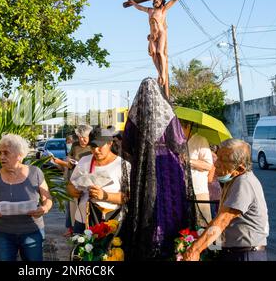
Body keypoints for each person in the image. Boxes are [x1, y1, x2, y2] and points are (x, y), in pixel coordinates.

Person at [120, 78, 196, 260]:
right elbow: (179, 142)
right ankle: (172, 246)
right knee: (170, 205)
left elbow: (127, 146)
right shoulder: (168, 114)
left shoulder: (134, 116)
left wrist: (143, 152)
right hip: (167, 165)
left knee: (147, 204)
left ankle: (149, 243)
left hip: (144, 168)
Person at [183, 139, 269, 261]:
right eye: (218, 158)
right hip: (233, 252)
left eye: (223, 160)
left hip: (246, 255)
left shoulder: (244, 182)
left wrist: (195, 250)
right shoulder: (232, 180)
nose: (216, 164)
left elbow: (222, 221)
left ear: (240, 168)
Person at [0, 134, 53, 261]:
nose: (1, 157)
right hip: (2, 233)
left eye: (6, 153)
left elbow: (47, 199)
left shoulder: (35, 173)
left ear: (20, 155)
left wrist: (44, 208)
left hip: (32, 231)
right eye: (0, 153)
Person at [127, 0, 189, 97]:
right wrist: (133, 3)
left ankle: (164, 75)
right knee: (153, 54)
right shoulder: (150, 10)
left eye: (159, 0)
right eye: (155, 0)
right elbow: (139, 8)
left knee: (160, 52)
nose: (157, 1)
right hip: (152, 35)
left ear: (161, 2)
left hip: (161, 33)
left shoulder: (163, 10)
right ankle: (160, 73)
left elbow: (175, 0)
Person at [66, 126, 130, 234]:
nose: (96, 150)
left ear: (109, 143)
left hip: (111, 223)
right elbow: (70, 185)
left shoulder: (122, 165)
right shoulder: (84, 161)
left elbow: (128, 196)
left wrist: (105, 195)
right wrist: (73, 191)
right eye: (92, 146)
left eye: (99, 146)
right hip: (82, 221)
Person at [52, 125, 93, 236]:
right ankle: (71, 229)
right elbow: (70, 161)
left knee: (84, 206)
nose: (82, 140)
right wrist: (67, 161)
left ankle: (84, 229)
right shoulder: (75, 146)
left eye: (84, 137)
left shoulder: (93, 147)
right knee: (71, 206)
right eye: (79, 137)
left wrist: (60, 162)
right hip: (74, 179)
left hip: (88, 180)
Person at [181, 120, 213, 227]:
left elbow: (208, 165)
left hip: (198, 191)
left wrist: (188, 161)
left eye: (179, 127)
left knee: (202, 224)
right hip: (181, 191)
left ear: (188, 127)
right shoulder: (177, 142)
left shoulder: (200, 140)